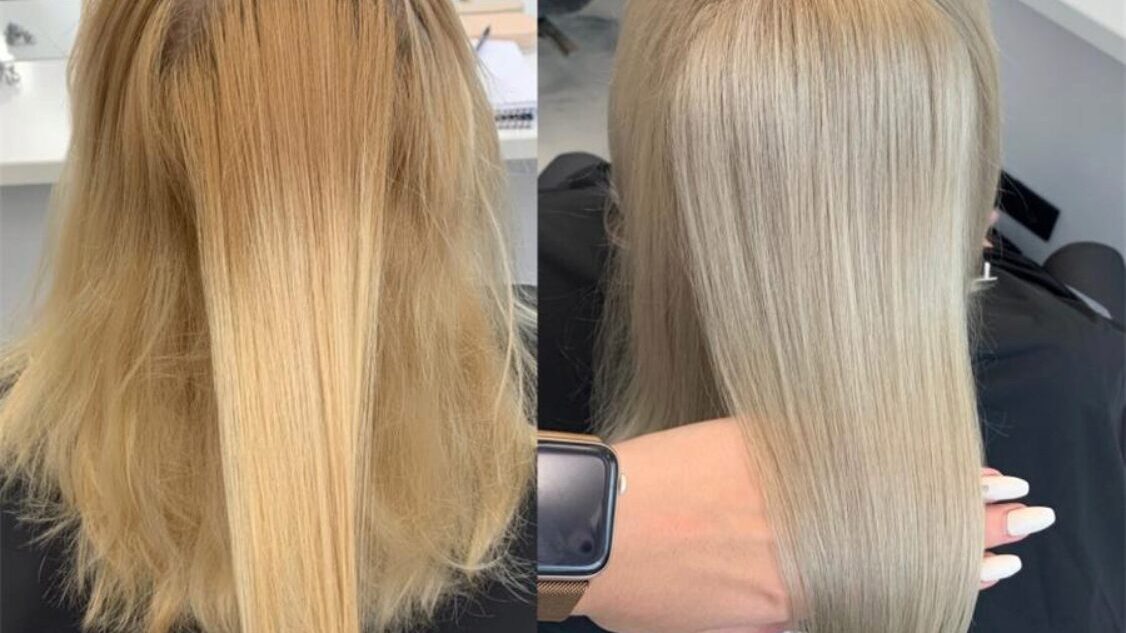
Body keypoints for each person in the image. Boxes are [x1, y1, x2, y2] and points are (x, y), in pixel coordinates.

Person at [537, 154, 1125, 633]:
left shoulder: (533, 286)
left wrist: (568, 529)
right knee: (1092, 266)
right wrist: (588, 532)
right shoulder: (1068, 360)